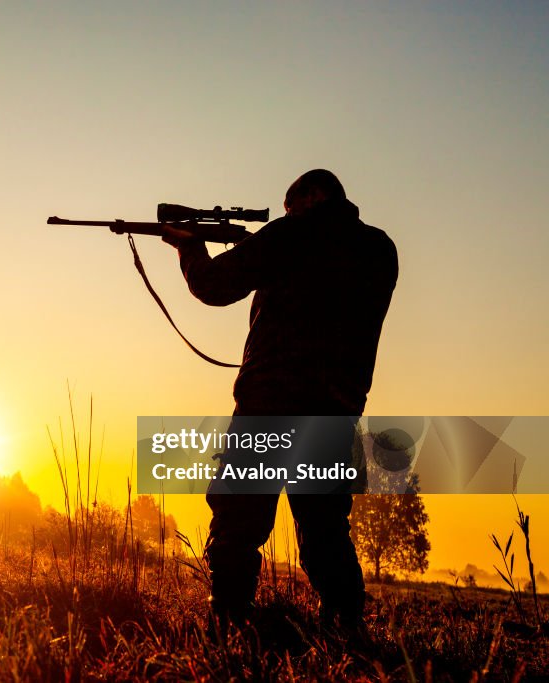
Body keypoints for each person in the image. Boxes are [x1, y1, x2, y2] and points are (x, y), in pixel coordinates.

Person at [161, 169, 398, 631]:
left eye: (289, 207)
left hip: (272, 401)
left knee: (238, 519)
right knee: (326, 529)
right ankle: (347, 630)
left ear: (309, 198)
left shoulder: (292, 235)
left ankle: (229, 622)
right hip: (336, 407)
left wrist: (188, 246)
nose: (286, 215)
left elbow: (213, 285)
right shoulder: (380, 249)